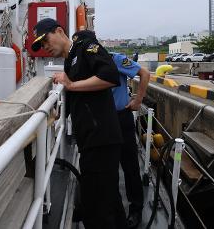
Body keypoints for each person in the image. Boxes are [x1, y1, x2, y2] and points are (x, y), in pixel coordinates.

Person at [31, 18, 127, 229]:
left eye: (45, 40)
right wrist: (55, 116)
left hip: (101, 138)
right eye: (41, 46)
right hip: (91, 139)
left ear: (59, 31)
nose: (46, 48)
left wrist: (72, 85)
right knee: (109, 201)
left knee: (97, 209)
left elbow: (110, 75)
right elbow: (76, 99)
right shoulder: (70, 60)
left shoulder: (86, 47)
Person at [110, 52, 150, 228]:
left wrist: (138, 100)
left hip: (121, 117)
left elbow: (145, 73)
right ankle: (116, 211)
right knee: (108, 171)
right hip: (103, 122)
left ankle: (136, 209)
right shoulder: (88, 63)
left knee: (130, 167)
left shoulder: (115, 59)